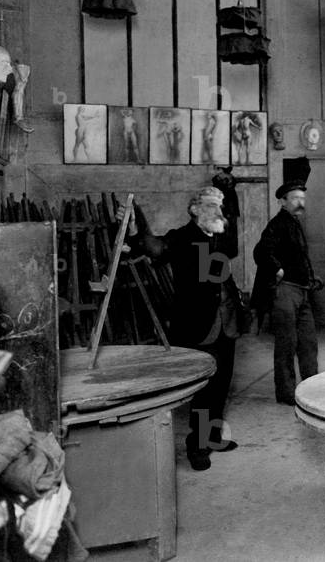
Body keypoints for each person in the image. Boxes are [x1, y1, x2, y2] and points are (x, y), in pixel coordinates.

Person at [121, 187, 244, 471]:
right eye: (212, 206)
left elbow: (230, 246)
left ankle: (212, 438)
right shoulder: (182, 237)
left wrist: (230, 193)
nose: (218, 211)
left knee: (221, 385)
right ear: (195, 209)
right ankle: (197, 446)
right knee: (205, 390)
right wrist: (137, 223)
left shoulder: (220, 239)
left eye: (220, 206)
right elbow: (154, 247)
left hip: (226, 325)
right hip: (199, 327)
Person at [250, 181, 321, 406]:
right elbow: (260, 251)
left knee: (308, 343)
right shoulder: (278, 223)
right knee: (287, 344)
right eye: (295, 198)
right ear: (283, 201)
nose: (300, 202)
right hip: (285, 292)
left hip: (302, 291)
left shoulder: (294, 222)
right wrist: (278, 269)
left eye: (302, 198)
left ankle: (310, 388)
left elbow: (298, 256)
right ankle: (286, 393)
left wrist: (310, 276)